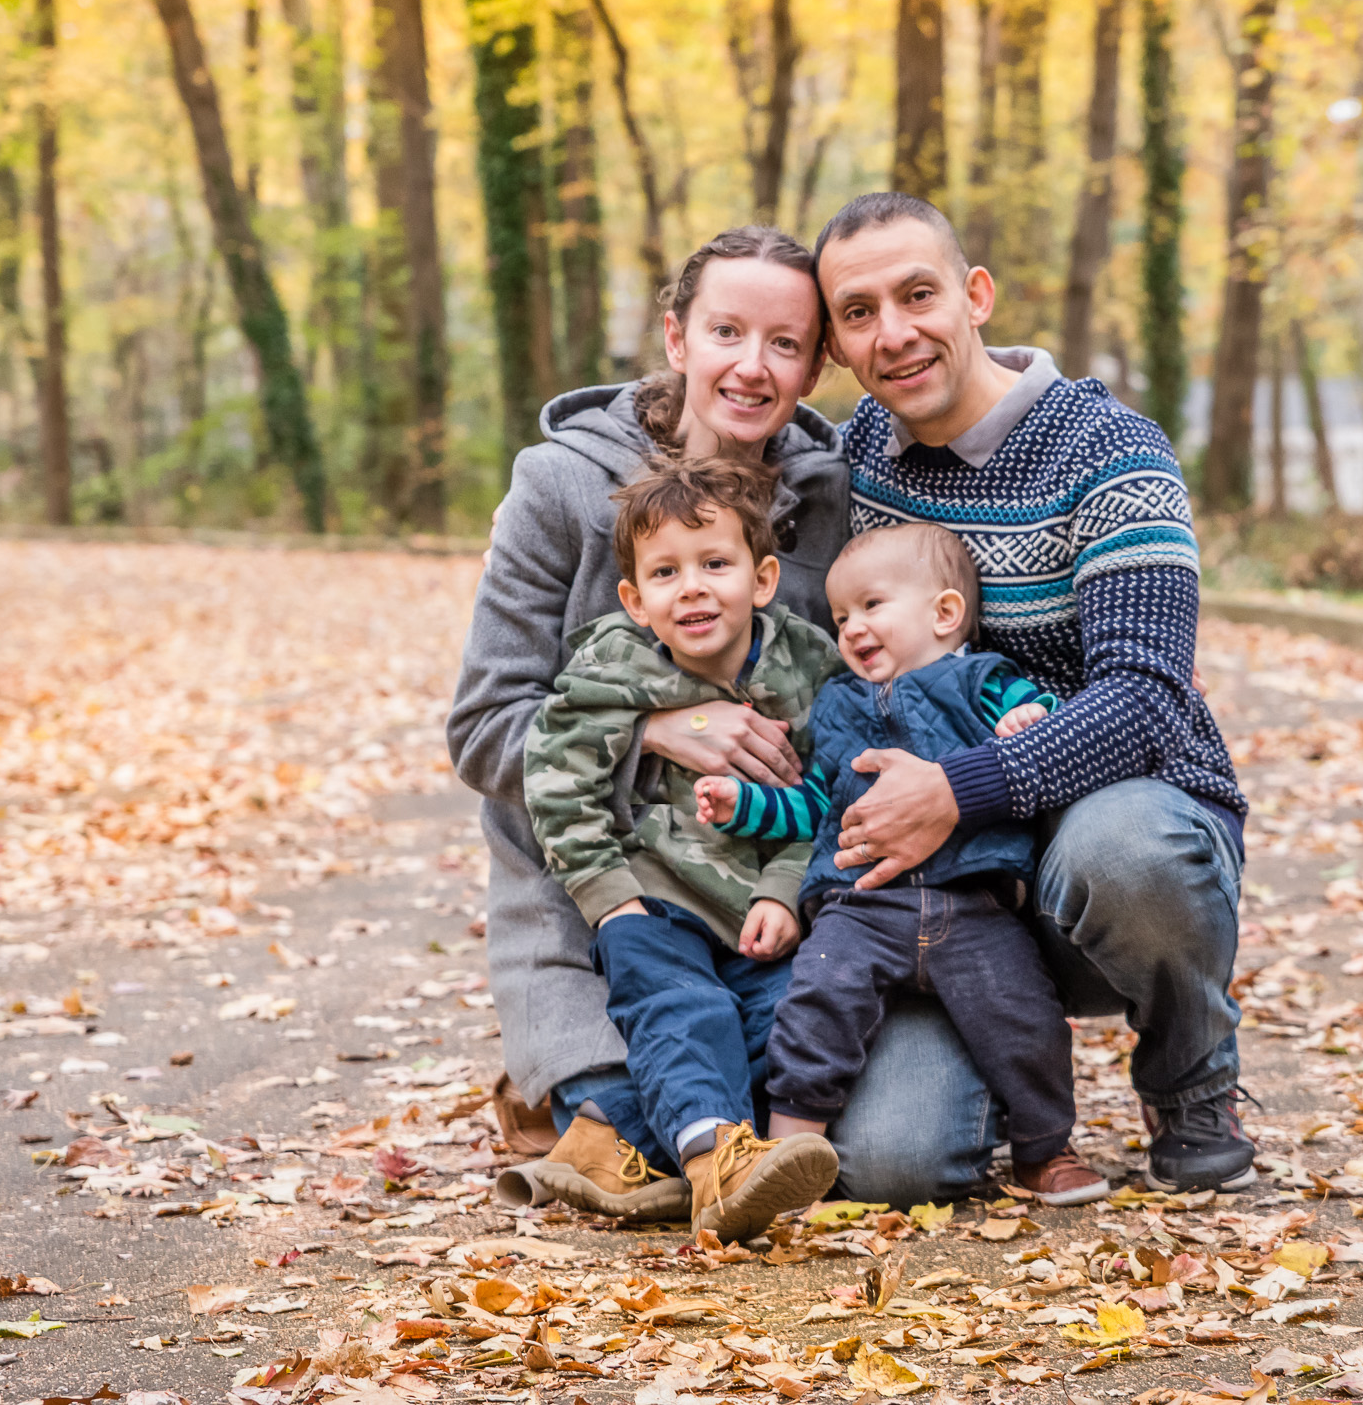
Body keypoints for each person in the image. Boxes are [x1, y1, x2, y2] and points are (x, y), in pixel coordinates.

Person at [807, 192, 1257, 1195]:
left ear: (975, 297)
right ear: (834, 344)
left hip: (1099, 846)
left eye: (918, 294)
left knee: (1128, 851)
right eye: (860, 311)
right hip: (947, 893)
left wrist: (953, 789)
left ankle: (1190, 1073)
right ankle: (1005, 1080)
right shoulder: (852, 466)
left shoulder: (1110, 451)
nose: (896, 332)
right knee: (889, 1163)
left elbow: (1145, 698)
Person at [456, 225, 902, 1221]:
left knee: (818, 1133)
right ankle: (584, 1104)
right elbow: (484, 726)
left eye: (785, 344)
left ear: (815, 363)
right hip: (602, 887)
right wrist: (659, 726)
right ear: (676, 337)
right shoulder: (560, 485)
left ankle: (607, 1127)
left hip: (760, 884)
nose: (752, 365)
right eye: (726, 331)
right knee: (667, 1112)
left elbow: (855, 697)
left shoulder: (833, 506)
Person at [694, 521, 1110, 1204]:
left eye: (872, 606)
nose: (852, 627)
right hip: (860, 909)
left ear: (945, 613)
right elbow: (815, 807)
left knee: (1024, 1019)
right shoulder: (838, 707)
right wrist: (744, 805)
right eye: (842, 616)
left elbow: (1051, 721)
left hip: (972, 903)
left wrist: (1028, 721)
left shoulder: (982, 681)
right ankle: (787, 1152)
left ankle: (1045, 1149)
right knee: (814, 1007)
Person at [525, 458, 843, 1240]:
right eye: (665, 572)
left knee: (791, 1028)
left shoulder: (808, 667)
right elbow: (556, 782)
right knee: (684, 1012)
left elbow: (828, 799)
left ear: (763, 578)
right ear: (634, 599)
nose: (692, 588)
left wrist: (782, 889)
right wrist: (611, 901)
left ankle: (613, 1142)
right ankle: (715, 1169)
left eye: (715, 564)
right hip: (652, 906)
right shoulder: (612, 667)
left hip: (758, 919)